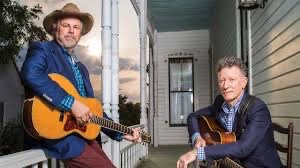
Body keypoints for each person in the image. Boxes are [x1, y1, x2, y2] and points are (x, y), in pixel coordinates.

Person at [21, 3, 141, 168]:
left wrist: (121, 133)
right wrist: (71, 104)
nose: (71, 30)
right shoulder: (43, 49)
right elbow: (31, 73)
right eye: (66, 26)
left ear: (80, 33)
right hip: (57, 136)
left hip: (82, 135)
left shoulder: (82, 69)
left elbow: (92, 110)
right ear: (56, 28)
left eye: (76, 27)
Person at [177, 56, 281, 168]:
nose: (225, 86)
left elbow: (243, 148)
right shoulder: (220, 102)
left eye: (232, 80)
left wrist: (197, 153)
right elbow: (193, 117)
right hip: (229, 163)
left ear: (244, 82)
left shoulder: (257, 109)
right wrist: (197, 137)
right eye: (222, 80)